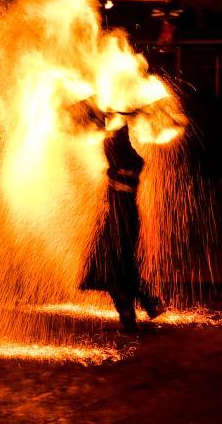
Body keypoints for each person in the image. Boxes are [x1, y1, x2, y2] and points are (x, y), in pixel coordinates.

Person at [70, 99, 165, 332]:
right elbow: (113, 132)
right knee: (119, 267)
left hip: (119, 220)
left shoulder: (122, 162)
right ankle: (146, 303)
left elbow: (112, 135)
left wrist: (108, 113)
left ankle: (135, 312)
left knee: (115, 269)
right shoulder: (127, 160)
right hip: (120, 219)